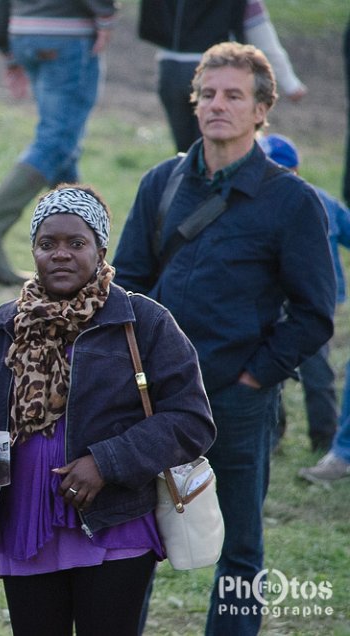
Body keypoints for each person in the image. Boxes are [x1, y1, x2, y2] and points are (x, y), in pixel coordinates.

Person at [113, 42, 334, 635]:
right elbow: (127, 283)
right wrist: (136, 370)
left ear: (262, 110)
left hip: (237, 402)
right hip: (154, 401)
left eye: (234, 95)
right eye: (208, 94)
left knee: (239, 552)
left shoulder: (292, 201)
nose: (217, 105)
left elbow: (314, 314)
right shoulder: (162, 183)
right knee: (132, 539)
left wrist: (253, 377)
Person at [0, 185, 215, 635]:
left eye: (76, 243)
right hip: (24, 525)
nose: (61, 254)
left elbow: (191, 421)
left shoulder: (142, 323)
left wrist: (106, 463)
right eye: (47, 243)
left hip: (114, 525)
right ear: (33, 251)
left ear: (101, 251)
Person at [0, 0, 116, 286]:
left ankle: (85, 249)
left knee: (64, 147)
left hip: (24, 31)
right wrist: (105, 14)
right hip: (67, 33)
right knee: (56, 142)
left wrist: (5, 45)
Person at [258, 133, 350, 454]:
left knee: (317, 368)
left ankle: (325, 437)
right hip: (272, 298)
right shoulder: (253, 205)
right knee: (271, 366)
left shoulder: (319, 202)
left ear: (295, 170)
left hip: (316, 300)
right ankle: (272, 436)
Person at [138, 0, 307, 153]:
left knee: (187, 153)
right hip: (218, 70)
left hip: (169, 69)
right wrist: (290, 83)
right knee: (221, 149)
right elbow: (260, 31)